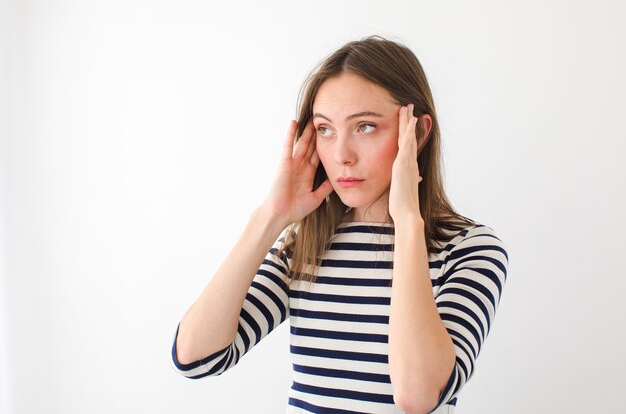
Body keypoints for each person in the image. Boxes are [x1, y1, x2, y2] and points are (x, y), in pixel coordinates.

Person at [170, 35, 509, 414]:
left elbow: (418, 396)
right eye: (326, 130)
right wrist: (271, 216)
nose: (341, 155)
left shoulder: (469, 248)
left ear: (419, 131)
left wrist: (408, 223)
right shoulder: (307, 245)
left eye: (365, 127)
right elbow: (196, 358)